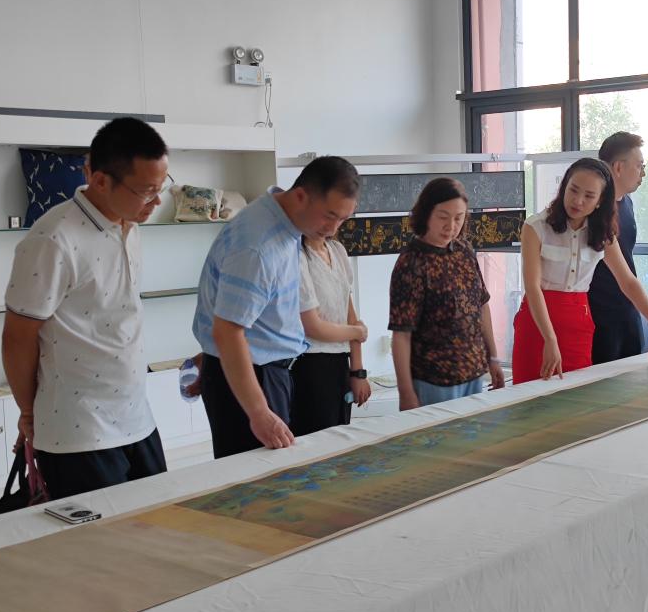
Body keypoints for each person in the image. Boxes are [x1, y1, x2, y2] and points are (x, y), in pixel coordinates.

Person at [2, 117, 170, 499]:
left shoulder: (129, 224)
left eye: (161, 188)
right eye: (146, 191)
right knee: (102, 536)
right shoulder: (52, 240)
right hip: (79, 431)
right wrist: (28, 413)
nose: (156, 202)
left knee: (158, 524)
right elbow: (17, 338)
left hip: (137, 417)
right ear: (99, 180)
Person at [193, 156, 359, 457]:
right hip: (253, 378)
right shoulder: (260, 244)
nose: (332, 229)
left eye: (343, 220)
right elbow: (228, 332)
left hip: (262, 371)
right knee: (259, 474)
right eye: (329, 216)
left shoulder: (282, 223)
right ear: (301, 196)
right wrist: (258, 411)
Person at [512, 157, 648, 385]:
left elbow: (627, 281)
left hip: (578, 323)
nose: (578, 201)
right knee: (527, 394)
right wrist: (550, 338)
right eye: (573, 190)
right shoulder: (535, 227)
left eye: (589, 196)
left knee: (575, 394)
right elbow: (532, 287)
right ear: (564, 187)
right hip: (537, 322)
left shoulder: (603, 233)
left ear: (600, 201)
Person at [389, 177, 505, 410]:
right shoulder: (411, 262)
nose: (451, 226)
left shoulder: (464, 251)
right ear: (426, 213)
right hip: (433, 380)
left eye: (458, 218)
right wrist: (406, 392)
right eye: (443, 217)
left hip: (473, 372)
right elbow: (401, 334)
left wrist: (493, 358)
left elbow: (482, 305)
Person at [290, 231, 372, 436]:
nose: (333, 224)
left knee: (341, 436)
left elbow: (350, 314)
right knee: (318, 439)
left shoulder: (337, 250)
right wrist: (356, 331)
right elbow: (314, 327)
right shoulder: (297, 254)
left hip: (340, 362)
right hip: (309, 363)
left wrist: (358, 372)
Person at [591, 131, 647, 364]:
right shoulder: (594, 208)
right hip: (599, 313)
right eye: (639, 166)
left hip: (627, 307)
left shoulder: (627, 202)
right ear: (618, 167)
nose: (643, 173)